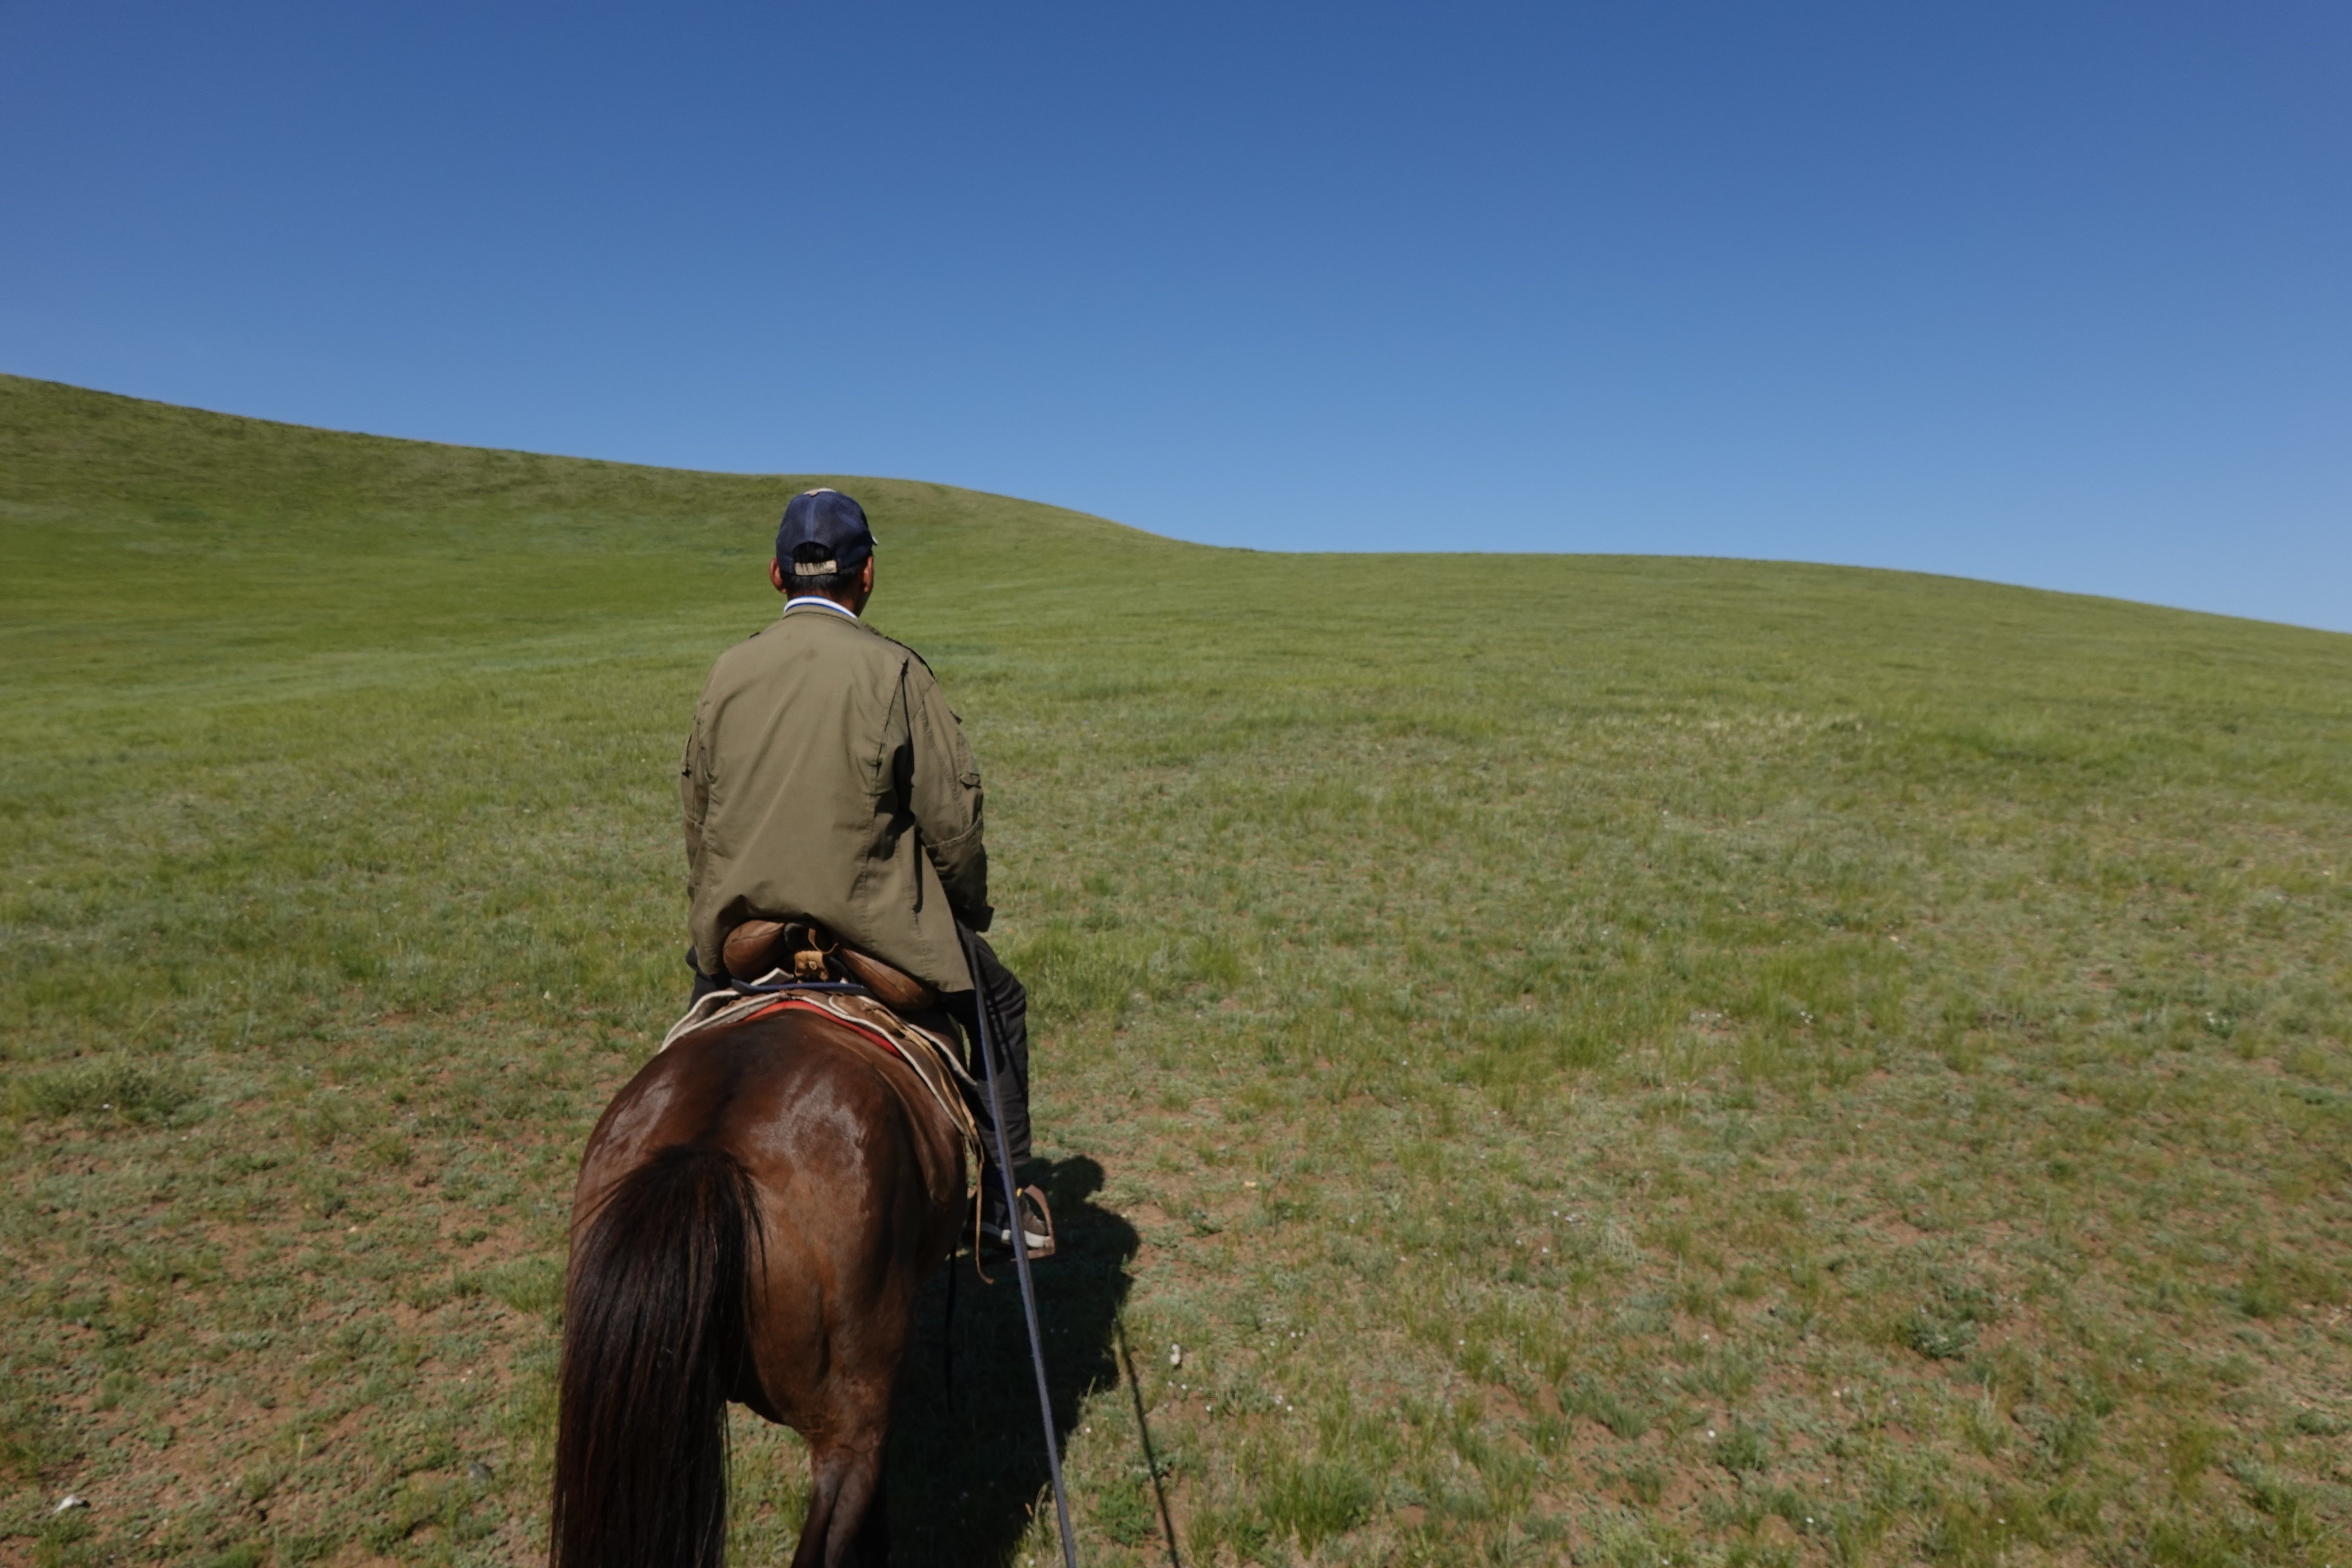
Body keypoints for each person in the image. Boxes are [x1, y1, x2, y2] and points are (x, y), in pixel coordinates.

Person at [678, 488, 1050, 1254]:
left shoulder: (728, 671)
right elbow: (953, 823)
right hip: (875, 936)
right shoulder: (897, 673)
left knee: (693, 1030)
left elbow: (698, 812)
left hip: (747, 931)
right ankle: (1004, 1204)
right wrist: (965, 912)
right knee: (1001, 1001)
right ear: (868, 574)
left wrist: (713, 909)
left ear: (776, 575)